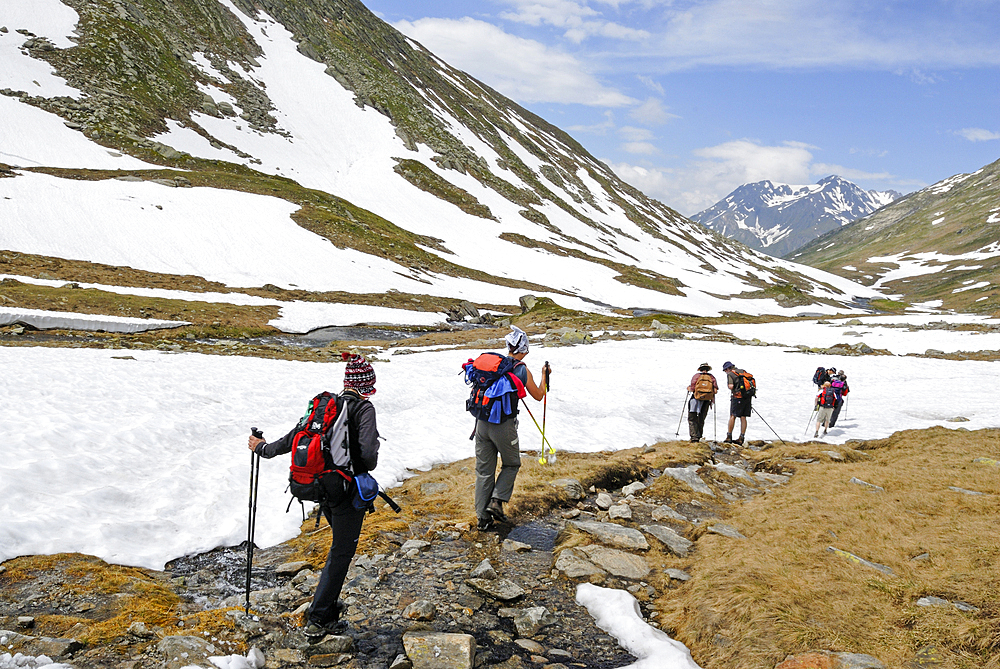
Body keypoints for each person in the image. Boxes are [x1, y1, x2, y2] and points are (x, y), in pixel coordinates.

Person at [248, 353, 380, 638]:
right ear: (366, 384)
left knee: (339, 546)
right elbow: (368, 456)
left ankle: (327, 604)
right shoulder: (363, 409)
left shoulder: (324, 406)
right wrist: (365, 462)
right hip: (346, 490)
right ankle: (320, 617)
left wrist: (261, 447)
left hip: (322, 487)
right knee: (342, 552)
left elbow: (291, 439)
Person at [474, 326, 549, 531]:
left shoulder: (495, 366)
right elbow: (539, 394)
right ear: (524, 348)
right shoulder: (521, 369)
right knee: (512, 463)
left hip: (481, 424)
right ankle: (497, 501)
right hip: (504, 426)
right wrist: (544, 375)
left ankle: (483, 520)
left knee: (484, 471)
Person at [686, 362, 718, 442]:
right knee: (701, 418)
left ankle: (694, 437)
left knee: (692, 417)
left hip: (695, 399)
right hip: (706, 400)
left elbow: (692, 389)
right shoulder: (712, 377)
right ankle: (699, 435)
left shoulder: (696, 376)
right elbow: (715, 390)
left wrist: (688, 388)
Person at [722, 361, 751, 445]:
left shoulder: (730, 374)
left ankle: (729, 436)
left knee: (733, 416)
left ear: (728, 368)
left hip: (737, 397)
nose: (725, 372)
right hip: (747, 397)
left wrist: (730, 387)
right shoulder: (742, 371)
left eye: (725, 370)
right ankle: (741, 437)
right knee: (743, 417)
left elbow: (731, 386)